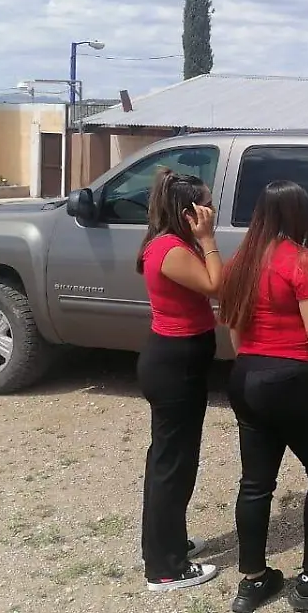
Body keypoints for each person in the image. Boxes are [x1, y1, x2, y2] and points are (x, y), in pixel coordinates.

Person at [217, 181, 308, 613]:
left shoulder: (241, 259)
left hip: (247, 376)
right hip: (293, 376)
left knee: (256, 482)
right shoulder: (299, 261)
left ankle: (253, 580)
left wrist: (252, 366)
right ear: (299, 215)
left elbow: (234, 324)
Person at [136, 169, 223, 592]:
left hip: (177, 361)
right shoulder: (171, 249)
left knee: (172, 459)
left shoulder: (169, 243)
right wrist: (209, 241)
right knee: (172, 463)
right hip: (174, 365)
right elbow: (216, 283)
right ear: (190, 211)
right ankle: (165, 568)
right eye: (207, 203)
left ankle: (165, 542)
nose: (213, 209)